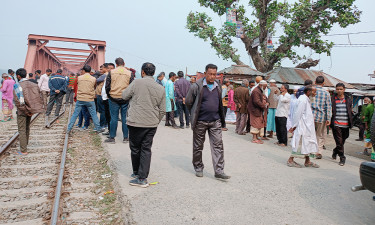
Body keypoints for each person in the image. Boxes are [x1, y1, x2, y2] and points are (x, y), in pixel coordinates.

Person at [122, 62, 166, 188]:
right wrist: (154, 121)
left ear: (142, 72)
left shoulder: (136, 83)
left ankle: (137, 173)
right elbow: (163, 110)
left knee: (135, 148)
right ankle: (142, 177)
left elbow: (124, 95)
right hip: (151, 124)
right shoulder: (160, 88)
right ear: (154, 72)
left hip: (135, 122)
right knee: (146, 149)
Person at [186, 64, 230, 180]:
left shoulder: (218, 86)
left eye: (214, 74)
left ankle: (219, 171)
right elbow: (189, 102)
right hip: (200, 121)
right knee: (198, 146)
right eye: (210, 74)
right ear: (205, 74)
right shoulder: (196, 86)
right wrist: (195, 113)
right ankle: (198, 167)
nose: (212, 76)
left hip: (215, 121)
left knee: (218, 146)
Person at [13, 68, 44, 155]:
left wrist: (26, 111)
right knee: (27, 127)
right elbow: (38, 98)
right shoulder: (34, 84)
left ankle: (23, 150)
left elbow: (18, 102)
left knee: (22, 130)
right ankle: (25, 145)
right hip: (30, 110)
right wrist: (31, 111)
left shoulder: (17, 85)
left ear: (18, 76)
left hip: (22, 111)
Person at [288, 86, 319, 168]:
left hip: (308, 127)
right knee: (300, 143)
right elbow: (297, 113)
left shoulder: (306, 99)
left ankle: (307, 161)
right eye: (314, 92)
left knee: (307, 143)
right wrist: (294, 125)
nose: (315, 94)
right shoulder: (302, 100)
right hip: (302, 126)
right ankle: (290, 160)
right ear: (308, 92)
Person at [66, 65, 104, 133]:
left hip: (80, 99)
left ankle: (69, 129)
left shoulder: (79, 78)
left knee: (75, 114)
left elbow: (76, 86)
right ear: (90, 71)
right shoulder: (93, 79)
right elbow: (94, 87)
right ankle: (98, 128)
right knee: (94, 114)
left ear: (83, 70)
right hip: (89, 99)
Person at [105, 57, 132, 143]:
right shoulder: (129, 73)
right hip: (125, 98)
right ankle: (125, 138)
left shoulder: (111, 72)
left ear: (116, 64)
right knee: (124, 118)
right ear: (124, 63)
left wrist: (109, 95)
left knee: (114, 118)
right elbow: (131, 87)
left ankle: (112, 137)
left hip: (113, 97)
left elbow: (107, 86)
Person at [330, 83, 352, 166]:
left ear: (344, 90)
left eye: (341, 89)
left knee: (342, 141)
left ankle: (335, 151)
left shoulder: (348, 99)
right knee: (339, 141)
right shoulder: (333, 99)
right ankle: (342, 158)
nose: (339, 91)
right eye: (337, 89)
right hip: (336, 124)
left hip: (346, 124)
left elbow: (350, 110)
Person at [311, 76, 332, 159]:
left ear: (315, 82)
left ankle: (310, 150)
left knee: (311, 133)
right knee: (320, 134)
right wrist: (328, 118)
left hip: (311, 115)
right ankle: (318, 152)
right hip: (321, 116)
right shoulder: (326, 93)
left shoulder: (311, 91)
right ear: (323, 83)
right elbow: (328, 106)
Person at [95, 64, 108, 129]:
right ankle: (105, 124)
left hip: (100, 95)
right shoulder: (107, 75)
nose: (100, 70)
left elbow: (96, 80)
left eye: (101, 69)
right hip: (104, 95)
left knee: (102, 110)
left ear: (105, 68)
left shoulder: (104, 75)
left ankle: (102, 125)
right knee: (105, 110)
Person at [101, 63, 112, 136]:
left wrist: (108, 95)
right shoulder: (108, 75)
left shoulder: (111, 76)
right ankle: (110, 130)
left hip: (108, 98)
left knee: (110, 116)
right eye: (108, 68)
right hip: (105, 98)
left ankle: (111, 132)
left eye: (111, 68)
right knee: (107, 115)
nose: (109, 70)